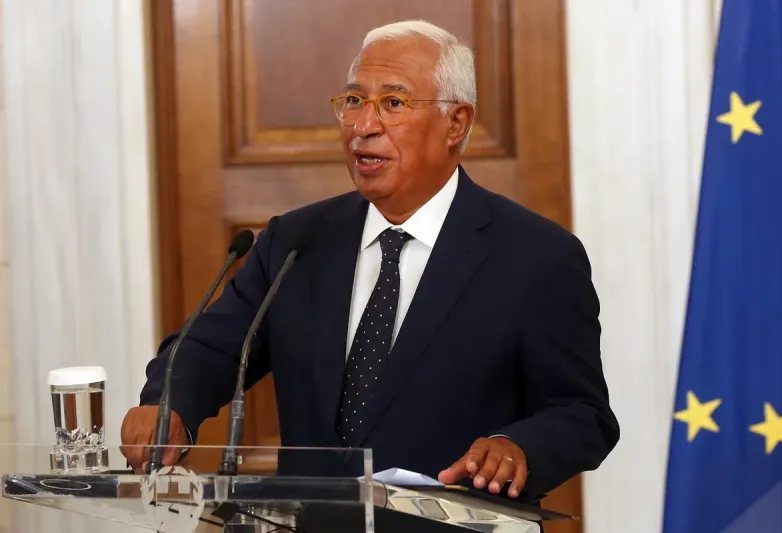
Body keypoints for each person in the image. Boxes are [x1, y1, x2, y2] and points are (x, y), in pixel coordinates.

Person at [121, 19, 619, 501]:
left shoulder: (536, 257)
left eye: (393, 103)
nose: (363, 126)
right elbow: (212, 348)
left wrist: (518, 447)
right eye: (354, 101)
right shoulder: (295, 242)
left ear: (456, 123)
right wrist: (169, 405)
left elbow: (583, 414)